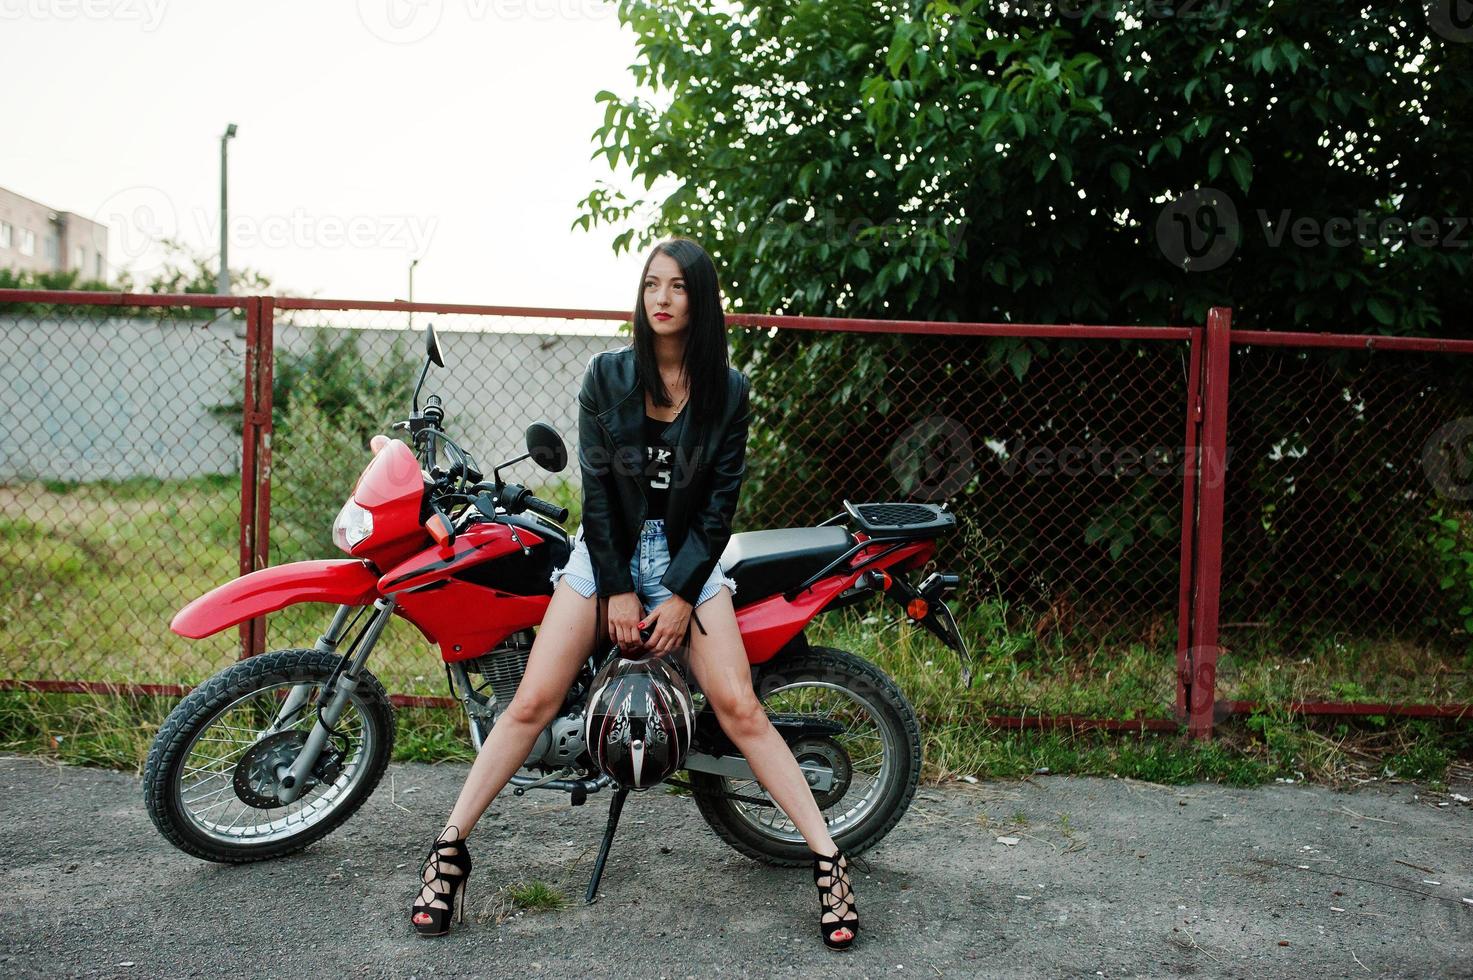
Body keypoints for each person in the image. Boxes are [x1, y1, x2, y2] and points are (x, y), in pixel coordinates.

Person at [410, 237, 859, 950]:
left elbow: (718, 507)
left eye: (677, 287)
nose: (660, 297)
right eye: (651, 284)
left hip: (687, 557)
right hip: (607, 554)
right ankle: (448, 853)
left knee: (740, 708)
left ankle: (827, 860)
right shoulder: (607, 377)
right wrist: (617, 590)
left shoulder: (728, 392)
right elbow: (596, 497)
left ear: (698, 300)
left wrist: (680, 594)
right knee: (530, 701)